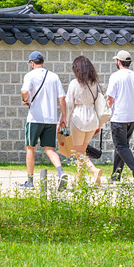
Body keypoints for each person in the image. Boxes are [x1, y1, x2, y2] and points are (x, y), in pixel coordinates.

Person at [20, 50, 69, 190]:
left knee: (30, 148)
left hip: (35, 118)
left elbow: (24, 92)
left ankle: (30, 181)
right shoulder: (54, 76)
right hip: (51, 119)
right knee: (49, 149)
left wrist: (26, 100)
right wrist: (63, 116)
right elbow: (62, 98)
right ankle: (61, 172)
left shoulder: (29, 75)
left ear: (31, 63)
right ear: (43, 62)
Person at [105, 49, 134, 187]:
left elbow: (110, 99)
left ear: (118, 62)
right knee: (123, 146)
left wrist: (105, 110)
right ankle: (115, 177)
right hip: (132, 117)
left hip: (119, 116)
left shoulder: (115, 76)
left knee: (120, 146)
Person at [65, 55, 104, 185]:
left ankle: (94, 170)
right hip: (93, 119)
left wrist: (64, 118)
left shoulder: (74, 83)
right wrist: (100, 123)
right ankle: (79, 179)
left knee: (78, 152)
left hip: (78, 119)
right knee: (82, 151)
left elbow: (69, 104)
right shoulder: (95, 83)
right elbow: (100, 103)